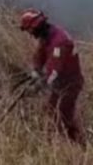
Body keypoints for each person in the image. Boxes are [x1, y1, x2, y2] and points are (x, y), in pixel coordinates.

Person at [20, 8, 86, 145]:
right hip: (61, 81)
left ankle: (77, 145)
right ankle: (73, 142)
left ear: (36, 26)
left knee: (61, 114)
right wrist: (35, 71)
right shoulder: (47, 35)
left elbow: (53, 72)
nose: (30, 34)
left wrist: (37, 86)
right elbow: (39, 54)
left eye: (30, 30)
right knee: (53, 110)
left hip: (70, 83)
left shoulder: (59, 42)